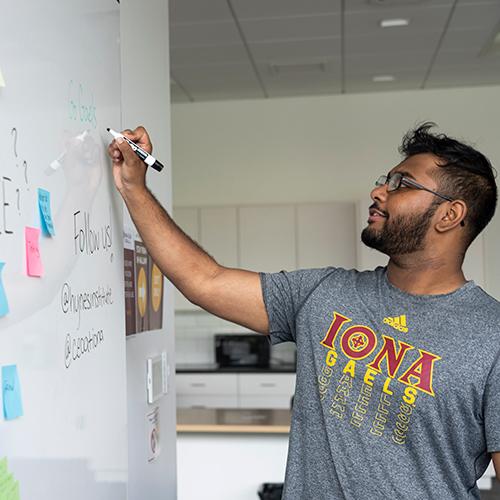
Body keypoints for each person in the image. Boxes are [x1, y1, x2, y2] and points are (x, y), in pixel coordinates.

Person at [108, 122, 500, 499]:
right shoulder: (323, 293)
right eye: (387, 178)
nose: (379, 190)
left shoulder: (492, 337)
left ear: (450, 215)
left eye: (402, 183)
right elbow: (204, 280)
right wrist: (133, 186)